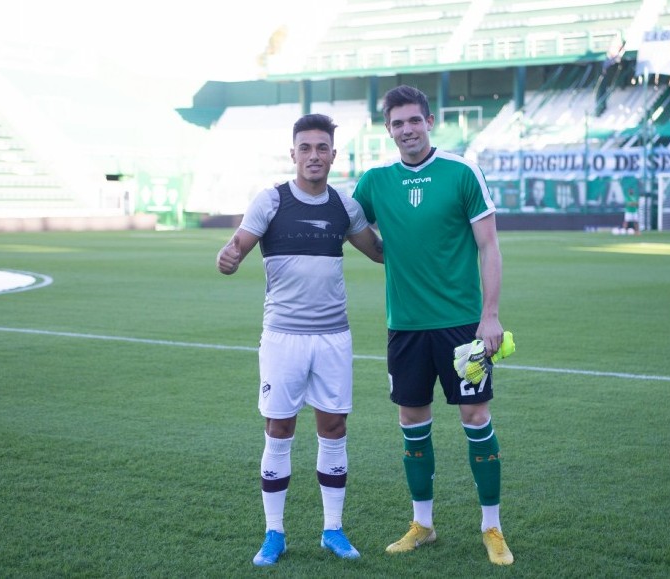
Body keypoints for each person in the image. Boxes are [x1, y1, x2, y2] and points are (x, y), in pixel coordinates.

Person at [352, 85, 514, 566]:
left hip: (463, 327)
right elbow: (350, 224)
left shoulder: (461, 171)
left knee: (476, 419)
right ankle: (422, 524)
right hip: (404, 327)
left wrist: (490, 315)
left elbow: (489, 246)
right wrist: (382, 254)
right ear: (389, 130)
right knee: (412, 423)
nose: (407, 130)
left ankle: (492, 527)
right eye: (397, 123)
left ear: (429, 121)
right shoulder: (376, 180)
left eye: (414, 121)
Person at [216, 113, 384, 567]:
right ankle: (275, 533)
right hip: (283, 337)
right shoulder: (271, 201)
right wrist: (227, 258)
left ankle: (333, 529)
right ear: (293, 154)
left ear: (333, 154)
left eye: (322, 148)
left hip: (333, 337)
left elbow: (379, 252)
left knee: (334, 429)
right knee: (279, 429)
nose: (314, 155)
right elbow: (236, 248)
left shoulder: (344, 207)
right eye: (305, 148)